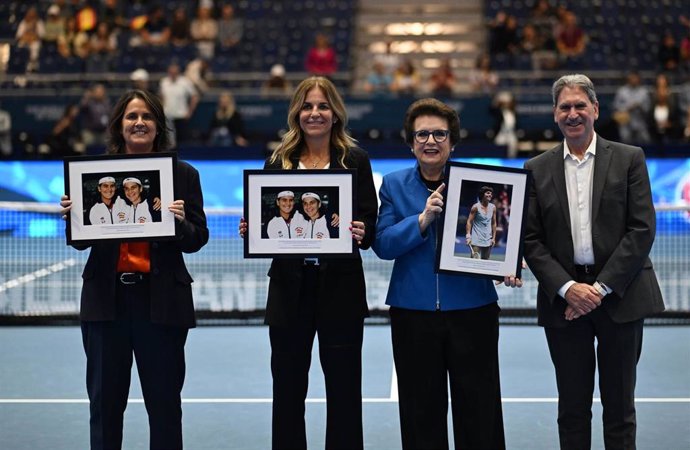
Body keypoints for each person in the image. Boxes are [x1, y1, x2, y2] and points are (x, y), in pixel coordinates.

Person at [59, 89, 209, 449]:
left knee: (165, 407)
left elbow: (197, 238)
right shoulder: (94, 175)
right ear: (119, 126)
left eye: (146, 117)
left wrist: (177, 222)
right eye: (131, 117)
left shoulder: (183, 175)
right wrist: (72, 216)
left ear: (158, 126)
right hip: (106, 305)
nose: (139, 122)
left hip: (161, 304)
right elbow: (81, 241)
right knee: (105, 407)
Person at [523, 74, 665, 450]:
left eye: (580, 106)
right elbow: (531, 240)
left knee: (620, 411)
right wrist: (569, 289)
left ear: (595, 110)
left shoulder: (630, 158)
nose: (573, 114)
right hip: (564, 304)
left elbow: (641, 230)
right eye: (565, 107)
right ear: (555, 114)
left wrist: (598, 290)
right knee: (572, 409)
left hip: (621, 298)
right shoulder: (535, 169)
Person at [372, 98, 521, 450]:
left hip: (473, 310)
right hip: (413, 314)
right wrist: (421, 221)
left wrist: (505, 263)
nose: (430, 141)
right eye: (422, 134)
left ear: (452, 142)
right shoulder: (393, 185)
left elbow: (499, 240)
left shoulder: (479, 182)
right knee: (420, 413)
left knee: (480, 411)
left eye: (439, 134)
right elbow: (383, 244)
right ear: (411, 143)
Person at [239, 76, 377, 450]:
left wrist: (363, 230)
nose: (314, 113)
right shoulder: (276, 162)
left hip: (341, 290)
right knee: (287, 390)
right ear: (296, 113)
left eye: (322, 106)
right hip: (289, 291)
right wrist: (253, 229)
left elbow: (371, 227)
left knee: (345, 391)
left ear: (336, 114)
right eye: (307, 106)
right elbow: (266, 221)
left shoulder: (356, 161)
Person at [613, 71, 651, 144]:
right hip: (625, 123)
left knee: (646, 140)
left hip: (640, 122)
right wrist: (628, 108)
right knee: (625, 139)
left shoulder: (644, 92)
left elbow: (648, 109)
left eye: (635, 78)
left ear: (639, 79)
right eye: (632, 77)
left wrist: (640, 106)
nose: (633, 79)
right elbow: (616, 107)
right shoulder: (622, 91)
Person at [466, 186, 497, 260]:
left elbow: (494, 223)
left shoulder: (493, 207)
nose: (490, 195)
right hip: (476, 239)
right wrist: (468, 235)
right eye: (488, 193)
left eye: (491, 194)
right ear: (482, 194)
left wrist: (494, 238)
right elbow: (469, 221)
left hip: (488, 239)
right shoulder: (475, 207)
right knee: (473, 262)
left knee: (485, 261)